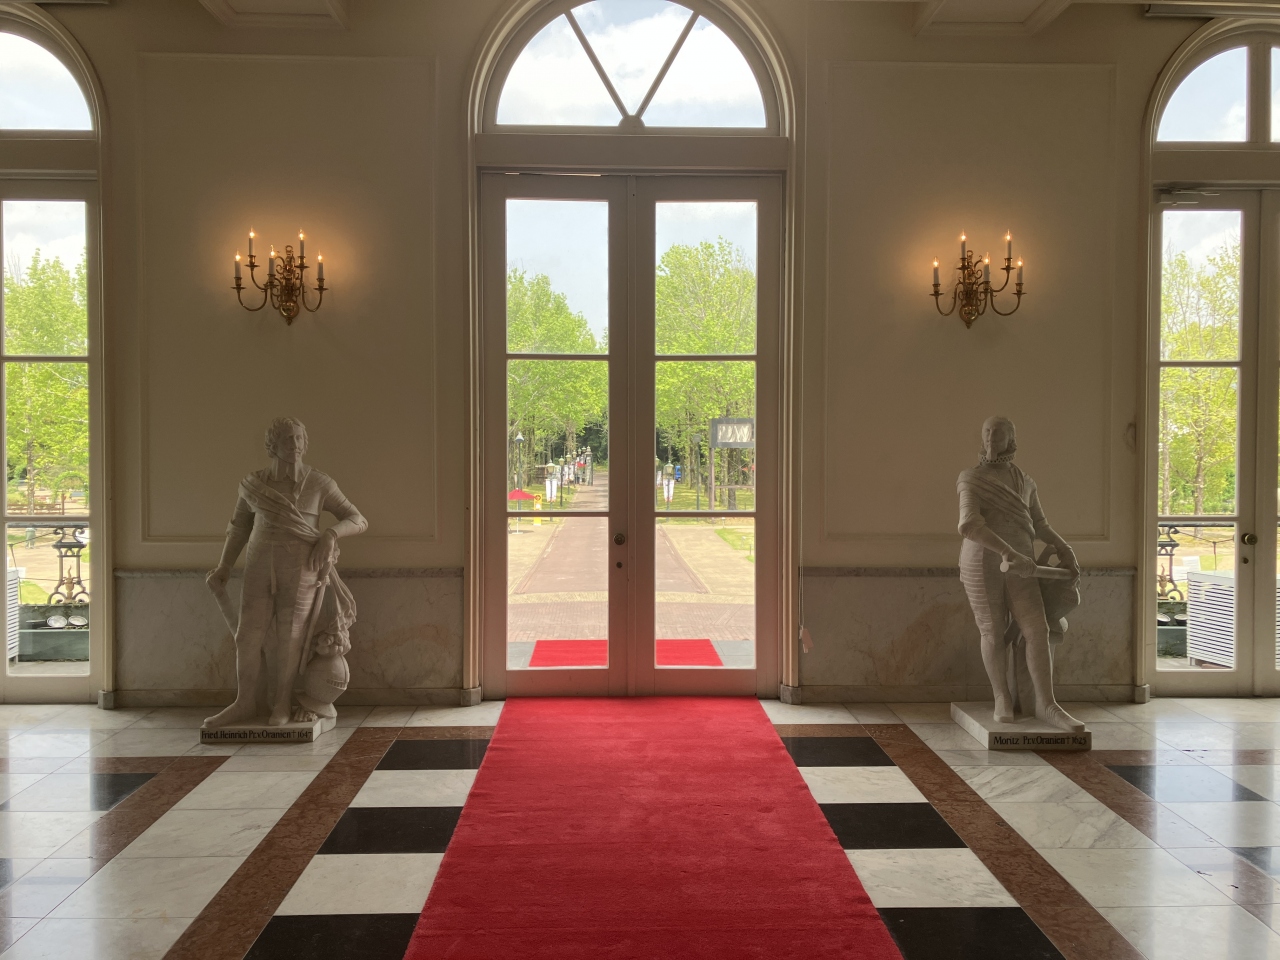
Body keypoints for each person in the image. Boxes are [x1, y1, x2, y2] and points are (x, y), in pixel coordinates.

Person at [204, 418, 367, 728]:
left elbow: (358, 519)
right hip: (259, 564)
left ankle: (281, 702)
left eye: (299, 438)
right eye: (287, 438)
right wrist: (225, 565)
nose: (295, 444)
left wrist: (331, 534)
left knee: (291, 637)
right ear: (272, 445)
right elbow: (239, 527)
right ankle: (244, 702)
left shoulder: (319, 483)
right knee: (248, 636)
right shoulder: (253, 485)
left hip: (303, 567)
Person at [957, 416, 1084, 733]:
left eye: (998, 433)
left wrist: (1063, 547)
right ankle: (1001, 696)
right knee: (992, 629)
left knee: (1037, 629)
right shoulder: (971, 478)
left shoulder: (1025, 481)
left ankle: (1047, 704)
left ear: (1011, 439)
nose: (991, 438)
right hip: (982, 560)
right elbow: (969, 524)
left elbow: (1039, 524)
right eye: (987, 432)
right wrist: (1006, 551)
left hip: (1022, 563)